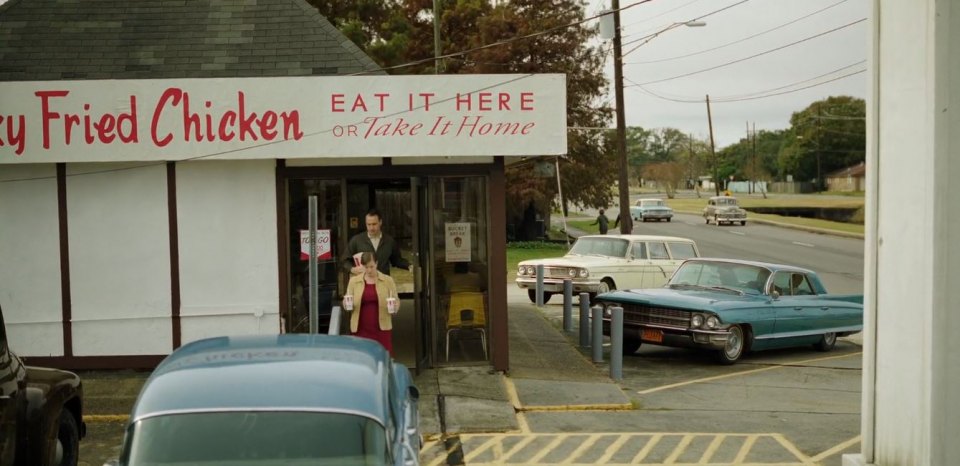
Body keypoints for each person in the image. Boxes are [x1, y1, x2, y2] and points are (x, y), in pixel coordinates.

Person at [344, 252, 399, 355]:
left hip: (382, 328)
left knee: (384, 357)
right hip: (360, 328)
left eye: (371, 267)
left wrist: (395, 306)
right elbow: (347, 299)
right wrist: (346, 304)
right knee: (361, 357)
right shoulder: (354, 281)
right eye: (366, 267)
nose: (369, 270)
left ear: (376, 264)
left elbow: (396, 299)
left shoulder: (388, 280)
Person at [344, 208, 410, 276]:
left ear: (380, 222)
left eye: (374, 224)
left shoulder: (389, 241)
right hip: (364, 284)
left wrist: (410, 266)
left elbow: (397, 260)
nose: (371, 228)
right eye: (368, 224)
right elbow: (345, 260)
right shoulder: (356, 240)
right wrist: (352, 269)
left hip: (383, 283)